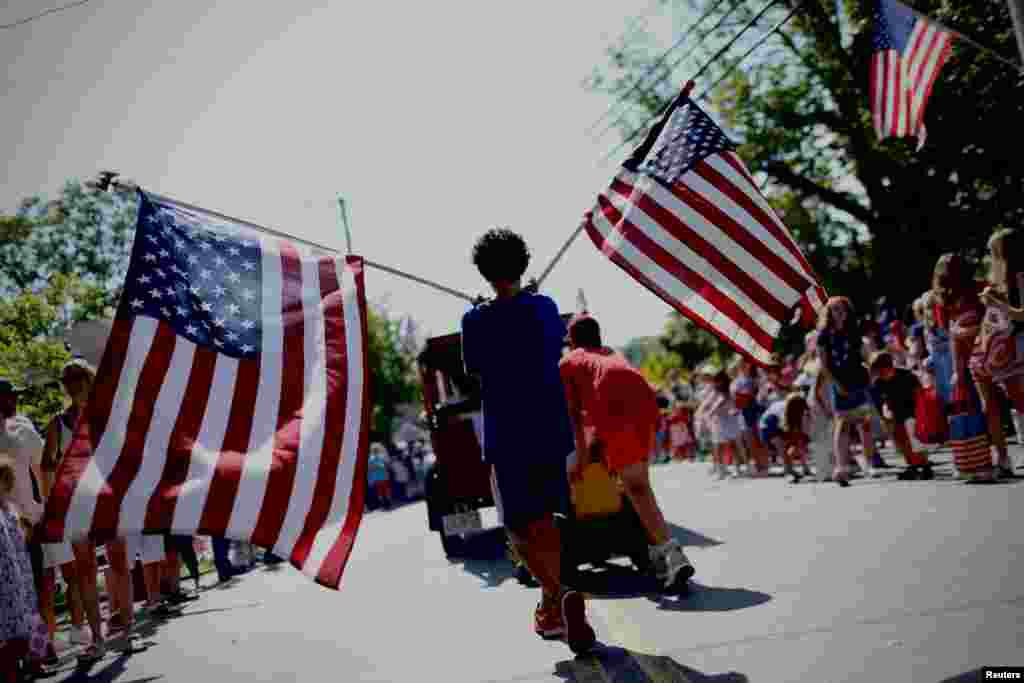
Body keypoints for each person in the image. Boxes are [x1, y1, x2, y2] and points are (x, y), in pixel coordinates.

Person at [461, 228, 595, 654]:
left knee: (519, 526)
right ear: (522, 262)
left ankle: (557, 593)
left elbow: (476, 370)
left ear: (483, 271)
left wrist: (485, 311)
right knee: (547, 516)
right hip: (549, 427)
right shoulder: (545, 307)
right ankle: (553, 606)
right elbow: (549, 340)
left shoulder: (474, 320)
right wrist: (527, 300)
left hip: (508, 431)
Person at [559, 314, 695, 591]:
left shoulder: (569, 362)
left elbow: (575, 416)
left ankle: (672, 554)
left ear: (572, 340)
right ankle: (661, 558)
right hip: (644, 401)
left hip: (616, 405)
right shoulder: (610, 354)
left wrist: (583, 459)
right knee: (639, 487)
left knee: (636, 488)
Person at [972, 228, 1024, 478]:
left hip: (1015, 349)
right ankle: (1003, 458)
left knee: (1020, 400)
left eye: (995, 252)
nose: (992, 257)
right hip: (997, 349)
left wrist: (997, 303)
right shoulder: (999, 278)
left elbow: (1021, 314)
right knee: (1001, 403)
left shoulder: (1020, 277)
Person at [816, 297, 881, 487]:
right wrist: (836, 385)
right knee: (842, 424)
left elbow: (864, 354)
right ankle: (841, 466)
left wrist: (871, 367)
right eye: (835, 309)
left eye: (842, 309)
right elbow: (824, 365)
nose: (839, 312)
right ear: (829, 313)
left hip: (858, 380)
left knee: (864, 423)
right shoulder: (824, 335)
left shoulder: (854, 330)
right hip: (838, 383)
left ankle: (870, 464)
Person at [0, 456, 41, 683]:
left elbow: (24, 533)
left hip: (21, 574)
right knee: (9, 627)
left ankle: (37, 659)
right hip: (5, 580)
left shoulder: (12, 509)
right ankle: (12, 671)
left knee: (31, 615)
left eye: (5, 482)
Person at [868, 351, 934, 481]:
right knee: (901, 441)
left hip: (913, 412)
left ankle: (925, 466)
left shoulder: (907, 376)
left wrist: (922, 415)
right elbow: (879, 403)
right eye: (877, 371)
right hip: (896, 414)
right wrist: (885, 417)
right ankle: (913, 466)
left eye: (881, 370)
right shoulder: (878, 383)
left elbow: (920, 394)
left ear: (889, 367)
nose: (880, 374)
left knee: (915, 441)